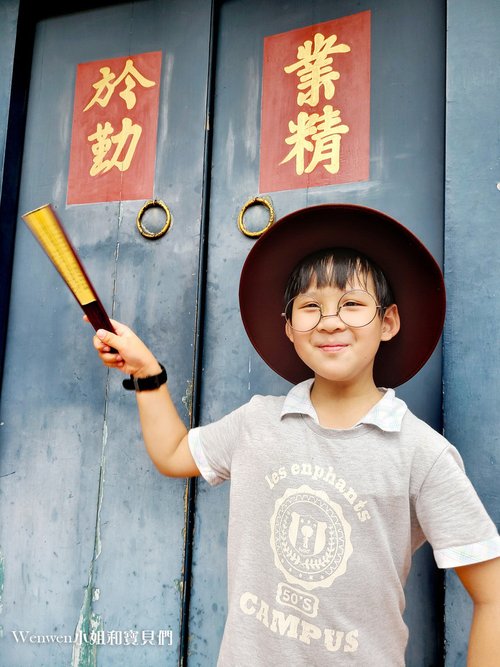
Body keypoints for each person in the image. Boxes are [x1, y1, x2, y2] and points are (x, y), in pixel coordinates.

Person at [89, 204, 500, 666]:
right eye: (310, 307)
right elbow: (173, 453)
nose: (330, 321)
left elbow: (492, 596)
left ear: (387, 322)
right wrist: (147, 373)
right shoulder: (258, 422)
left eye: (352, 304)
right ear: (289, 328)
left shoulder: (420, 453)